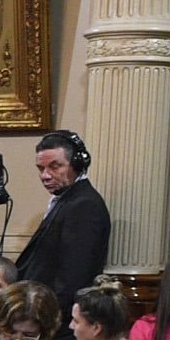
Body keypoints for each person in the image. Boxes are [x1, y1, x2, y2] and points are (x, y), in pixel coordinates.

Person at [10, 132, 109, 328]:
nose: (45, 176)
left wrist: (44, 321)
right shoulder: (68, 200)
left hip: (56, 325)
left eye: (55, 166)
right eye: (41, 168)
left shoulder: (85, 206)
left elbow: (73, 277)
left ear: (78, 165)